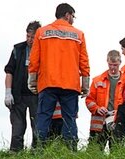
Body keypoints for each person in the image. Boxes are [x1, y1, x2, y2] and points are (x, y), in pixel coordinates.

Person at [28, 3, 90, 150]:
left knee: (43, 117)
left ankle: (38, 150)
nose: (73, 20)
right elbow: (84, 61)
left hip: (47, 83)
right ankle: (71, 151)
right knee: (70, 118)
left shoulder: (42, 32)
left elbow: (34, 59)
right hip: (71, 84)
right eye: (73, 16)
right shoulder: (79, 34)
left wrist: (32, 81)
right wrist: (85, 84)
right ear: (67, 15)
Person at [3, 21, 41, 152]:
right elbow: (9, 71)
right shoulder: (17, 49)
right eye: (28, 36)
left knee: (38, 130)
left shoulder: (44, 51)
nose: (30, 40)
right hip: (18, 95)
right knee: (17, 129)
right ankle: (15, 156)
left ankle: (37, 156)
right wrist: (8, 92)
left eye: (33, 37)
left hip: (36, 96)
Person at [85, 50, 123, 151]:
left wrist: (119, 112)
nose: (112, 67)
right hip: (99, 124)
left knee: (117, 153)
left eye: (115, 65)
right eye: (110, 64)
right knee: (94, 153)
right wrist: (97, 109)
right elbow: (89, 100)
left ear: (120, 63)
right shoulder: (97, 80)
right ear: (107, 62)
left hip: (117, 122)